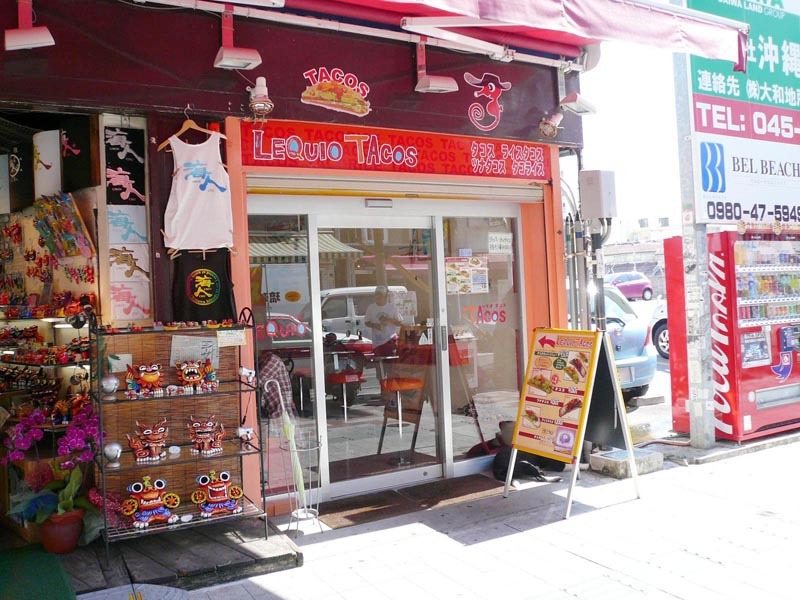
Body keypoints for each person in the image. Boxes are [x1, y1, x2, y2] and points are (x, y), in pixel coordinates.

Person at [364, 285, 403, 357]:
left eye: (380, 296)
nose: (378, 298)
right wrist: (374, 325)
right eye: (376, 295)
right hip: (377, 342)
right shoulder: (371, 307)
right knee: (379, 362)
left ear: (385, 297)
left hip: (390, 340)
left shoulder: (392, 307)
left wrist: (388, 319)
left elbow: (399, 323)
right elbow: (366, 322)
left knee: (390, 361)